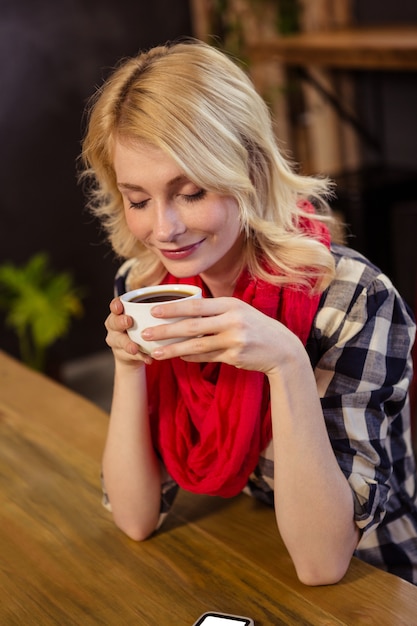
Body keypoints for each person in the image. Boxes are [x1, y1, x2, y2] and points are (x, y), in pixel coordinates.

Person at [80, 39, 417, 586]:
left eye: (191, 192)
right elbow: (135, 518)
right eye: (138, 200)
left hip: (373, 576)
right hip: (250, 550)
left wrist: (287, 362)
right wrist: (129, 362)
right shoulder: (145, 284)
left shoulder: (352, 298)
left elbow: (322, 563)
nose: (164, 229)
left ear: (251, 171)